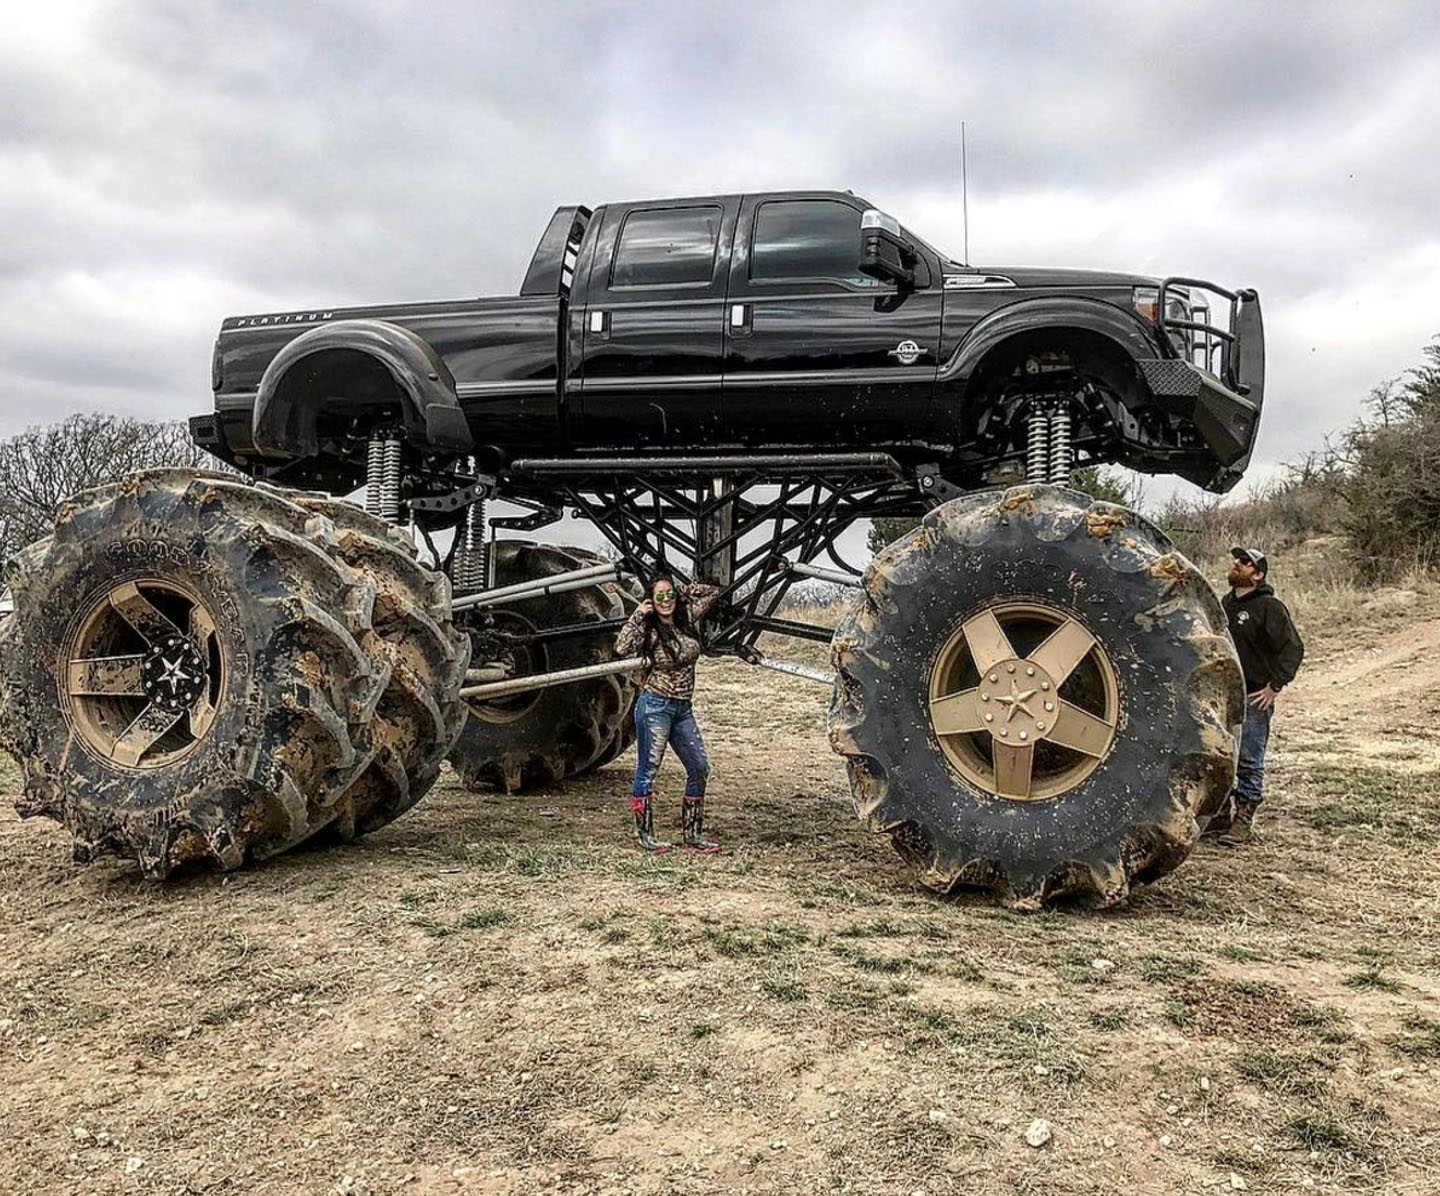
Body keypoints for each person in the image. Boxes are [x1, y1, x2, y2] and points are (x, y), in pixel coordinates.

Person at [614, 575, 722, 854]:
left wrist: (682, 591)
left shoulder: (685, 619)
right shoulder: (649, 630)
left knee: (699, 767)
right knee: (648, 770)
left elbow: (712, 593)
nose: (665, 601)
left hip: (682, 708)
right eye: (658, 596)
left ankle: (693, 835)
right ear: (651, 599)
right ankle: (646, 836)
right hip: (655, 706)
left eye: (669, 595)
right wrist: (639, 613)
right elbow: (621, 647)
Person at [1208, 546, 1305, 846]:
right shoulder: (1226, 604)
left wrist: (1274, 686)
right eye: (1236, 559)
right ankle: (1220, 815)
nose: (1236, 563)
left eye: (1245, 562)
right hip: (1224, 693)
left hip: (1253, 696)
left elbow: (1293, 649)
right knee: (1219, 754)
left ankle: (1243, 820)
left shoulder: (1269, 608)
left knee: (1249, 759)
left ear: (1258, 575)